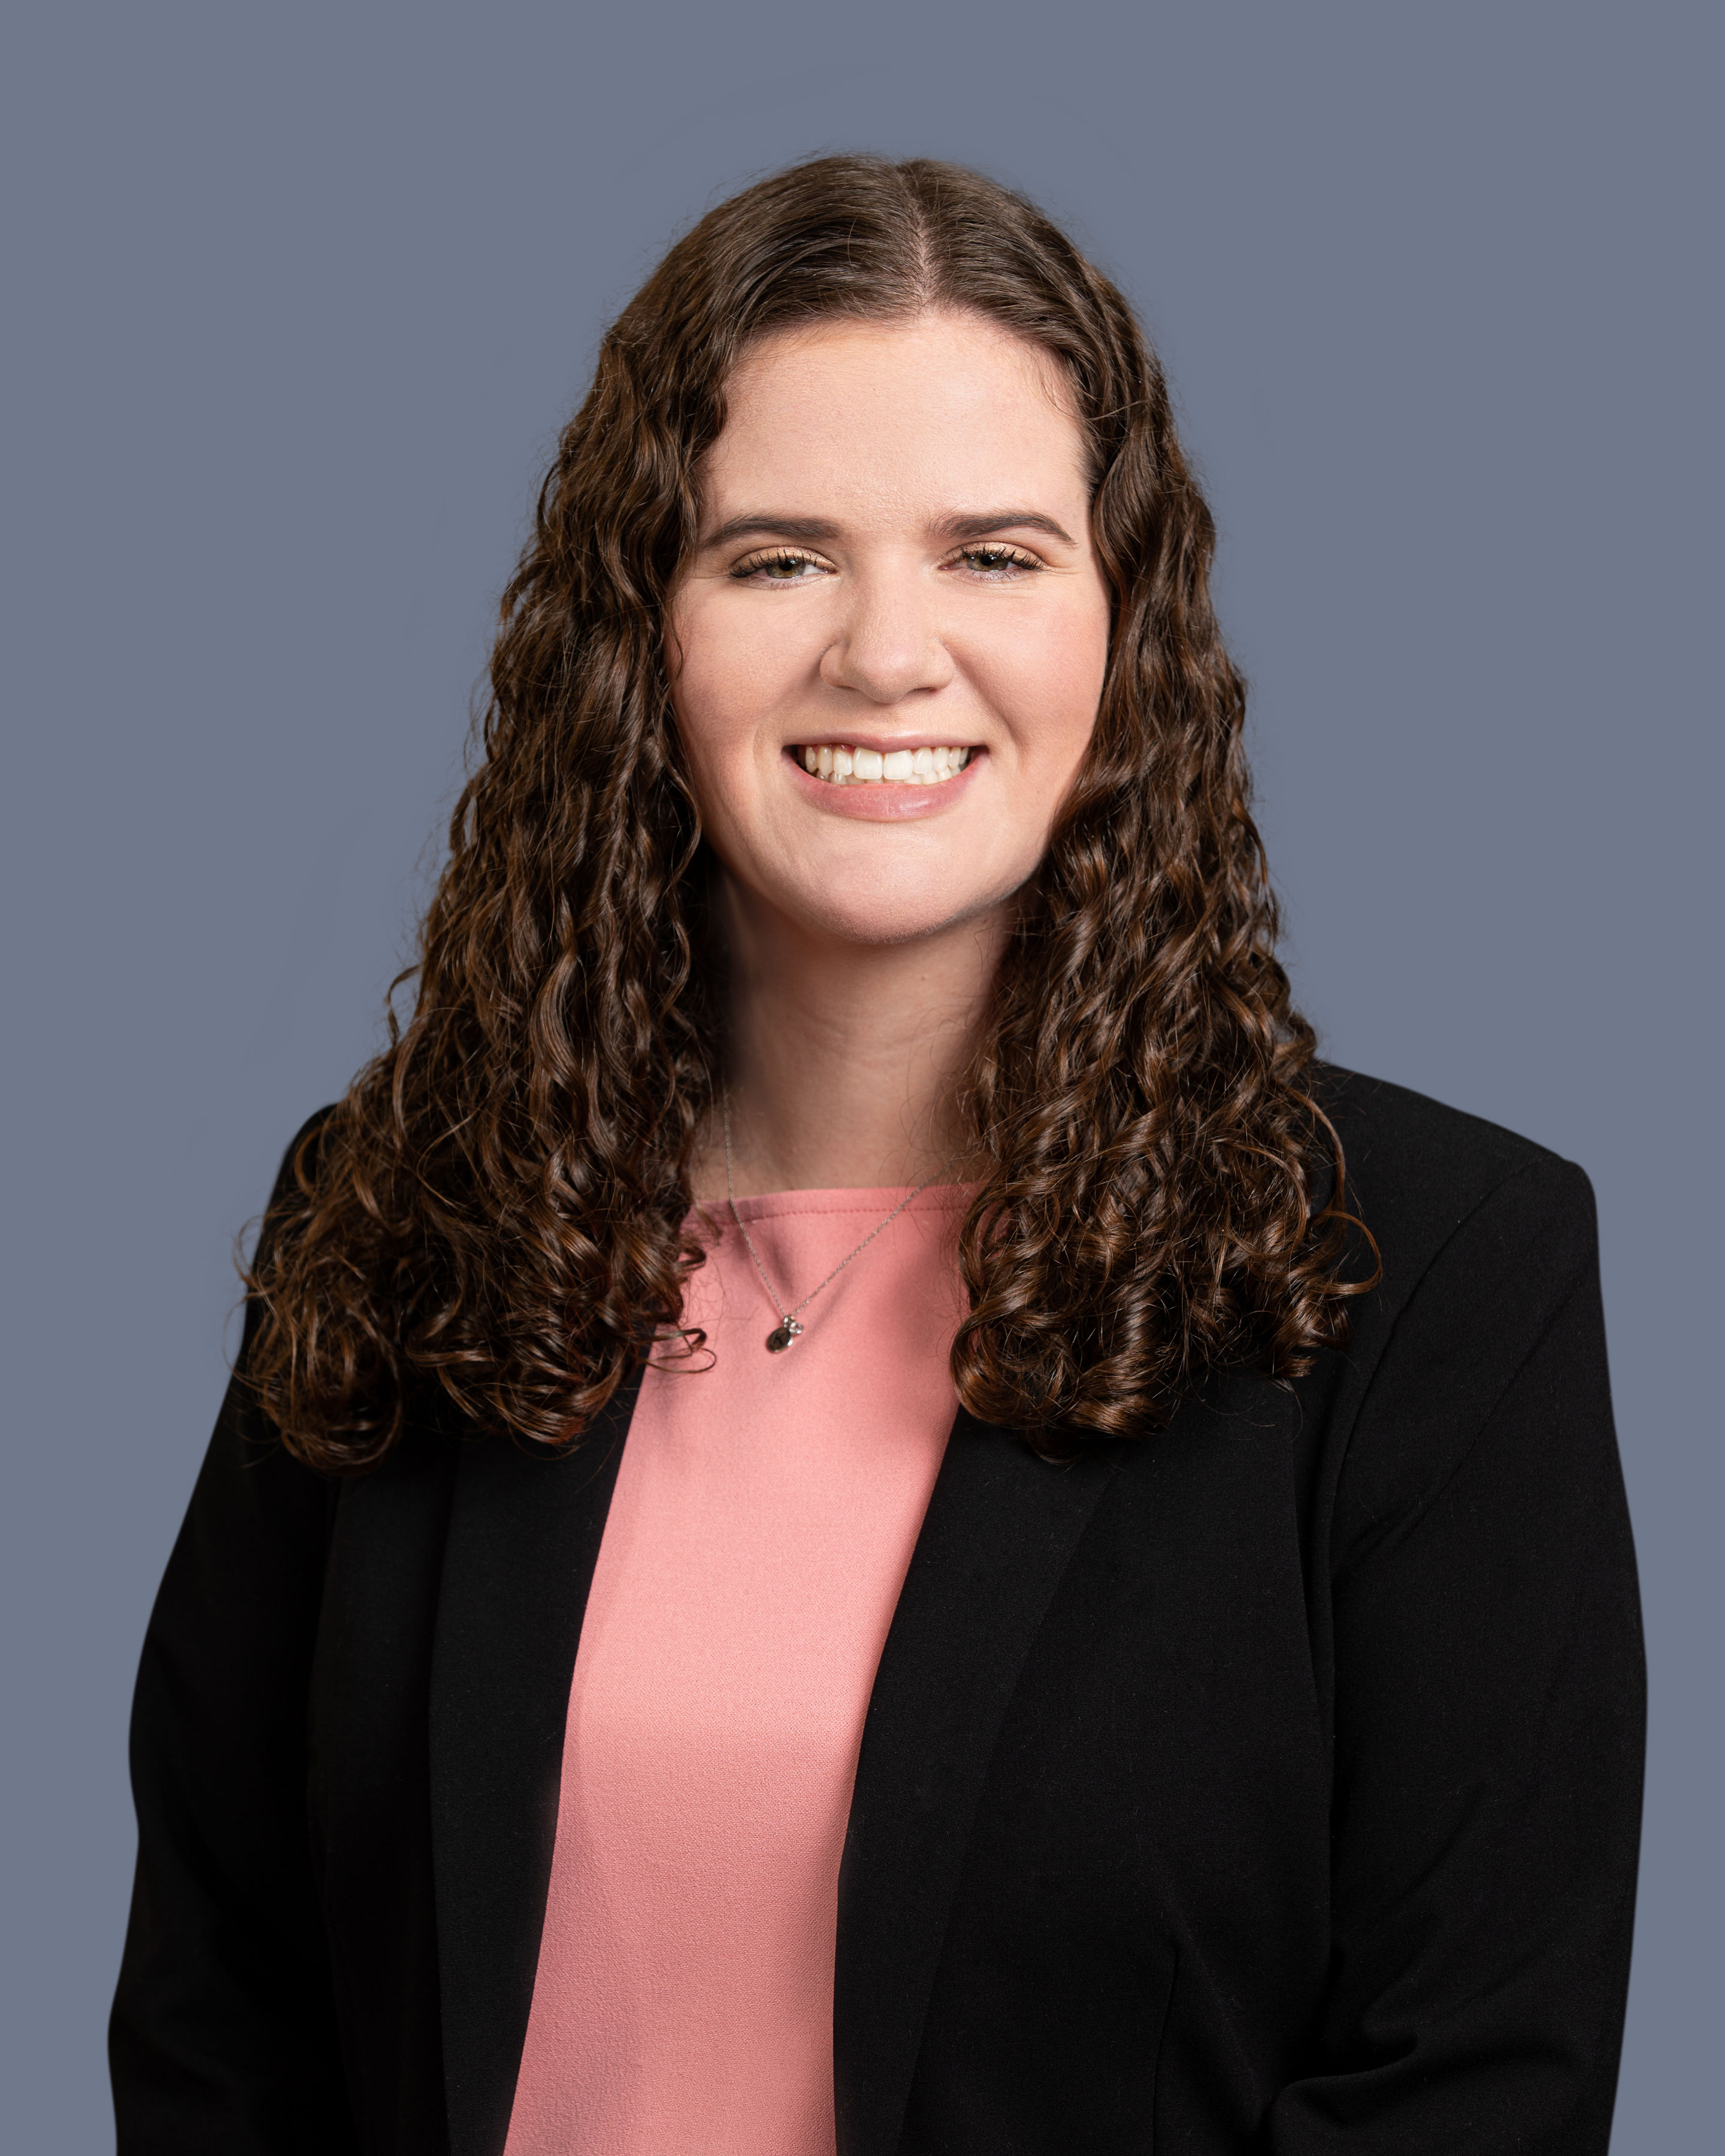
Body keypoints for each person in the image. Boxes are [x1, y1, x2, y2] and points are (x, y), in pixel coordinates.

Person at [109, 155, 1644, 2156]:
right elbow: (227, 2013)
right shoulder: (403, 1216)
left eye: (994, 555)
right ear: (636, 639)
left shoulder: (1428, 1274)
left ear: (1126, 633)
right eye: (776, 557)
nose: (889, 652)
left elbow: (1476, 2087)